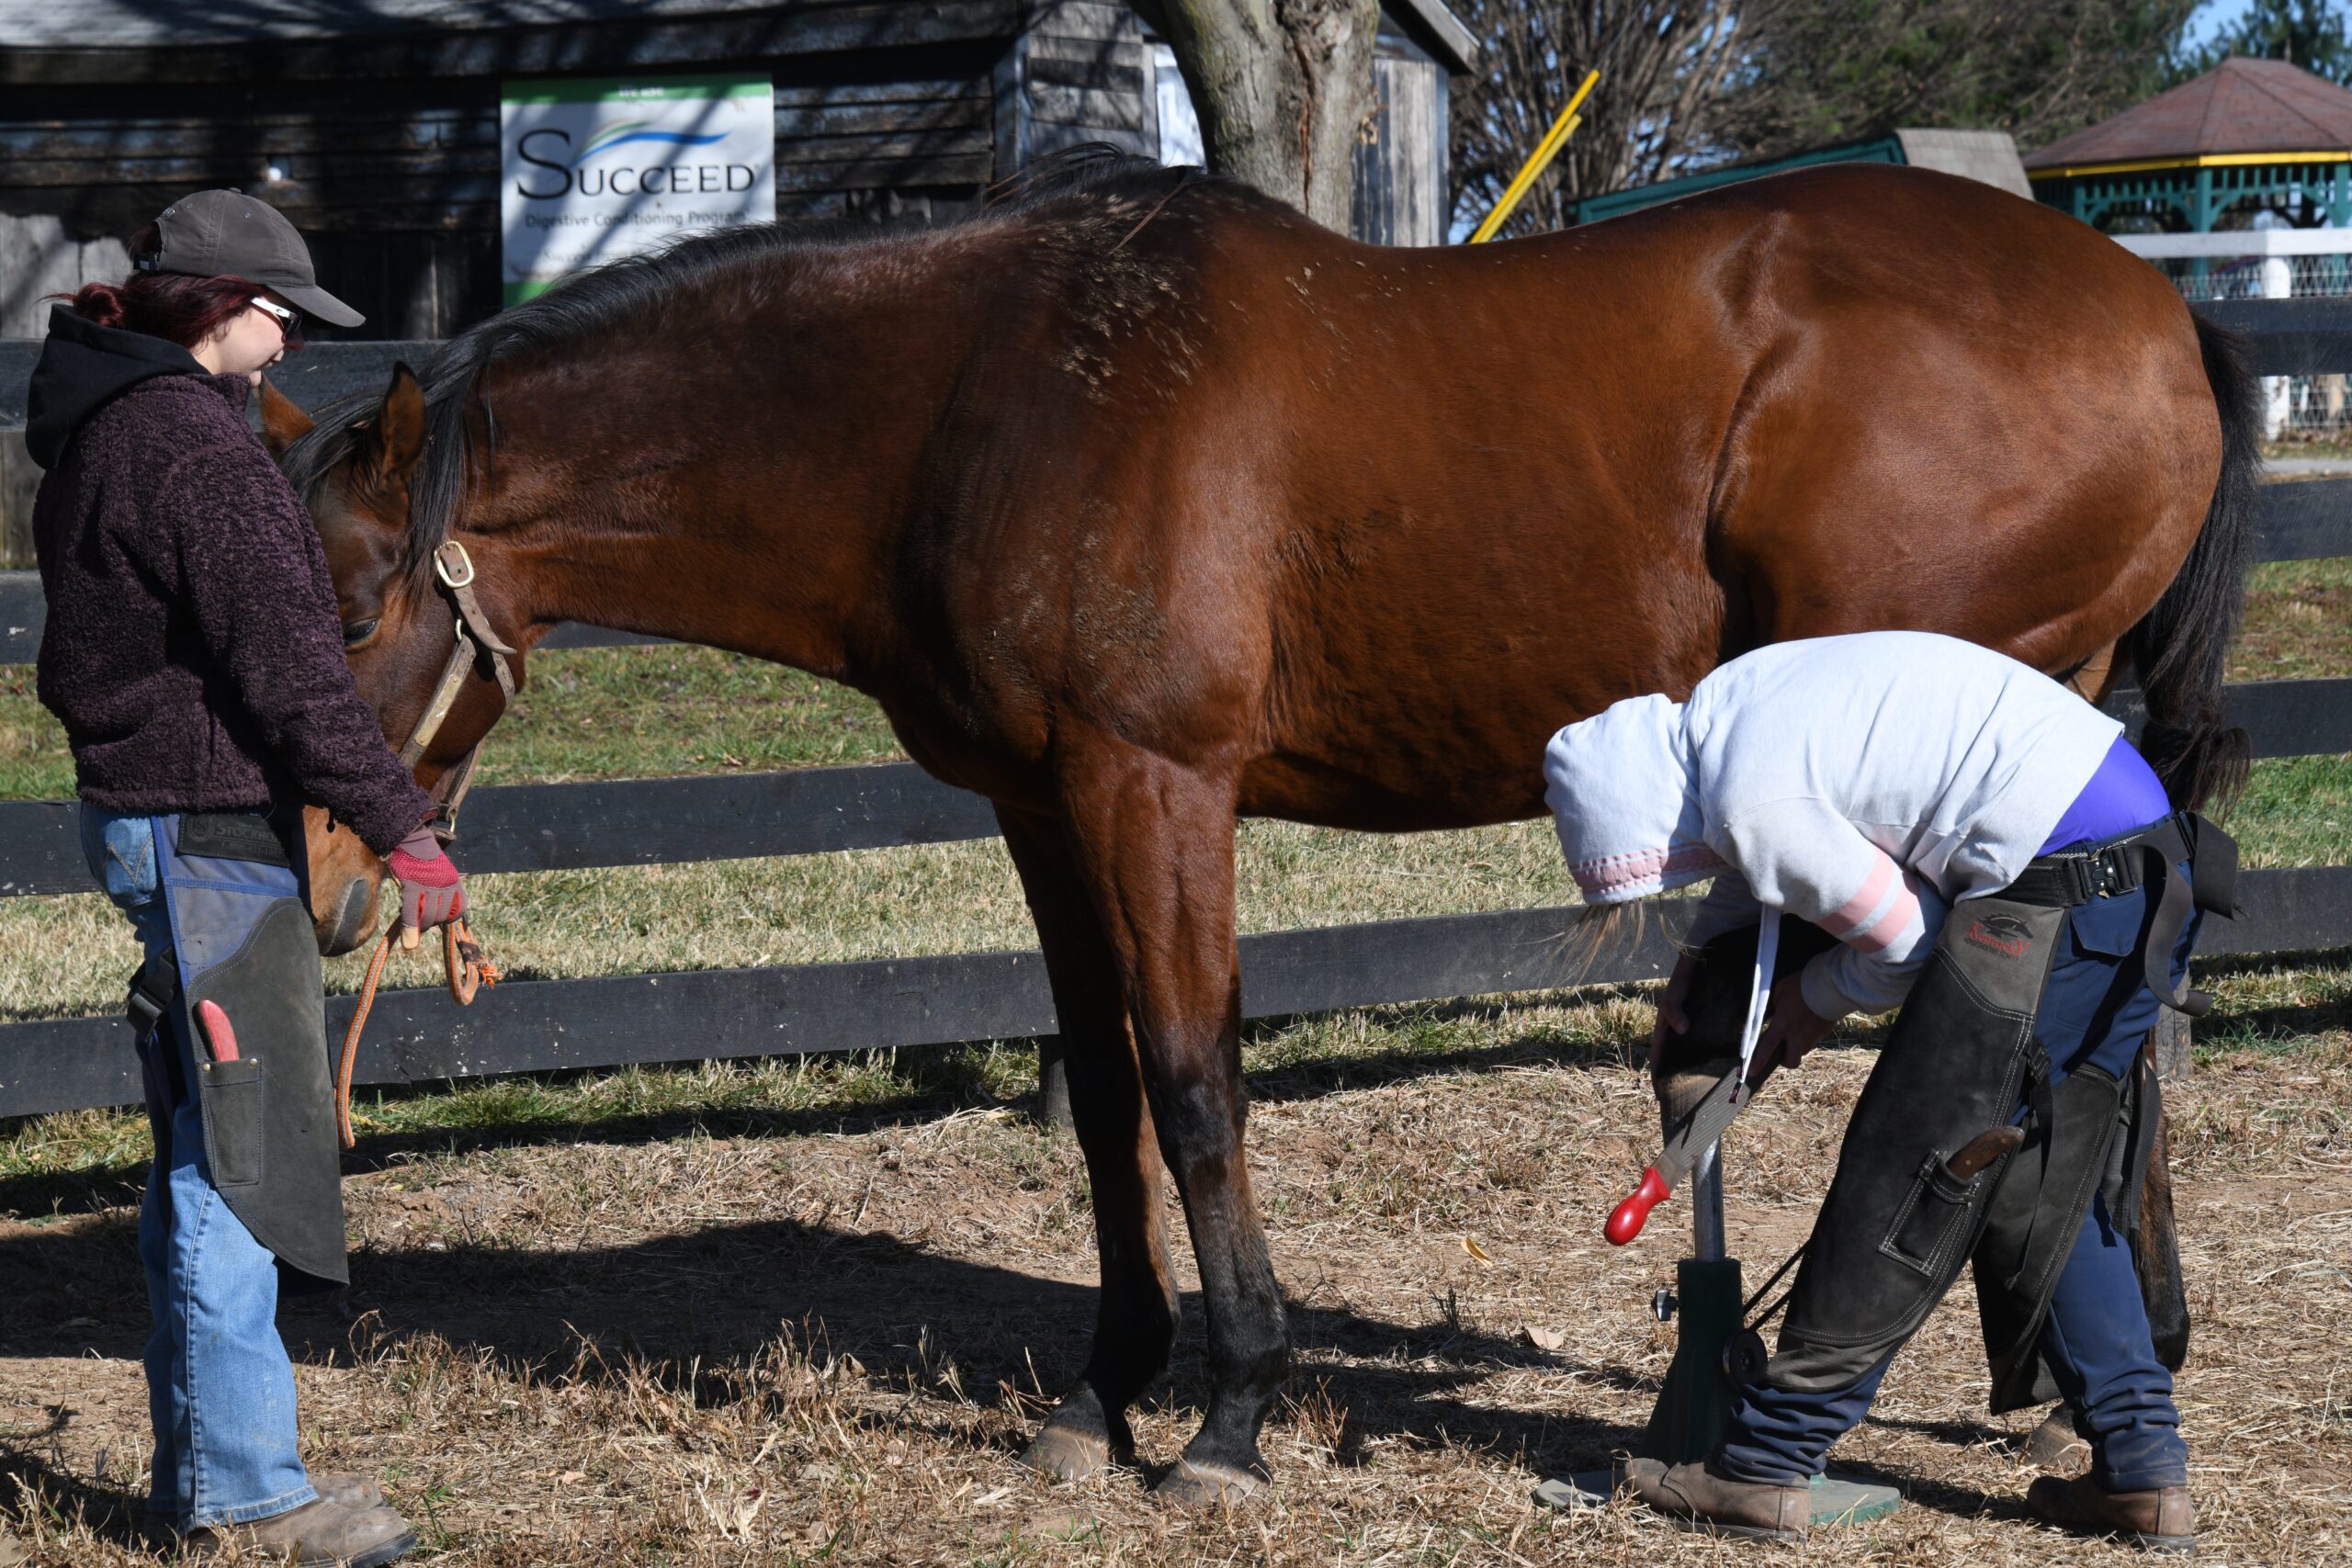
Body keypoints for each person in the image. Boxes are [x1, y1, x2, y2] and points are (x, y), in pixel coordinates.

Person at [1544, 629, 2233, 1552]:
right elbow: (1762, 853)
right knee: (2044, 1189)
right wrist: (1705, 958)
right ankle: (2144, 1475)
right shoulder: (1730, 710)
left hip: (2050, 899)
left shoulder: (1750, 797)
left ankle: (1763, 1467)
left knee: (1909, 1172)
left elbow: (1905, 940)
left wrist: (1813, 998)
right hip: (2147, 873)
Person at [25, 190, 467, 1566]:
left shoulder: (104, 424)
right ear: (218, 302)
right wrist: (405, 825)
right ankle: (251, 1494)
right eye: (280, 316)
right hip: (205, 827)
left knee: (194, 1150)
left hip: (145, 817)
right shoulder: (193, 450)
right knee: (240, 1159)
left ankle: (202, 1466)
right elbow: (289, 675)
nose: (286, 346)